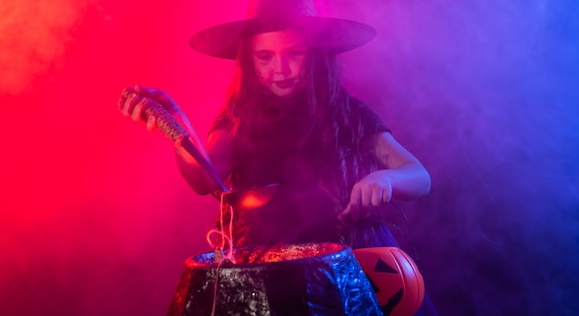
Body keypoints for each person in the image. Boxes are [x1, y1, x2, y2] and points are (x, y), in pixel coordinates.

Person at [119, 26, 431, 249]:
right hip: (262, 270)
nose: (280, 69)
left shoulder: (347, 112)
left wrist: (385, 180)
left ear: (316, 56)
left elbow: (419, 176)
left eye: (294, 54)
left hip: (346, 264)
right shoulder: (239, 116)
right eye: (265, 57)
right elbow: (205, 179)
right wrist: (177, 124)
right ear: (249, 62)